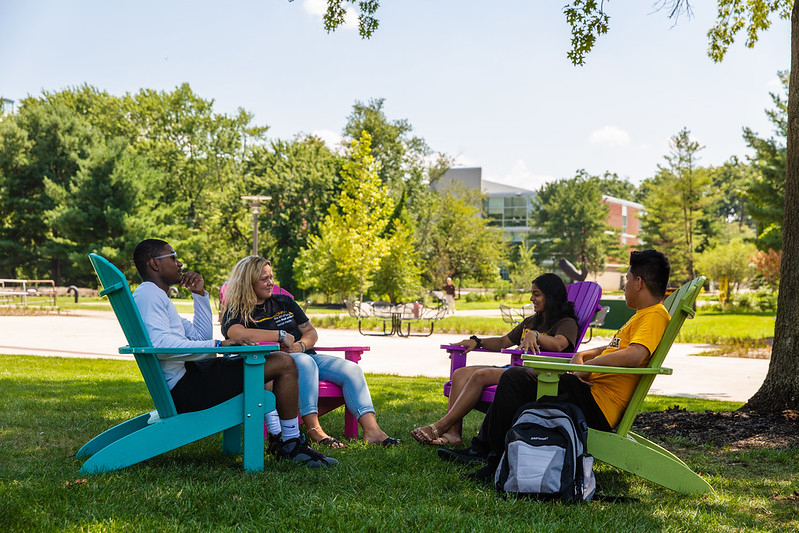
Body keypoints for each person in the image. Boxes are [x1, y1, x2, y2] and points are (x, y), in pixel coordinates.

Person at [439, 249, 671, 483]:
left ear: (639, 283)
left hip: (598, 403)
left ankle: (491, 458)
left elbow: (634, 355)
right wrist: (582, 356)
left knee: (515, 380)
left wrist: (588, 367)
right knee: (517, 379)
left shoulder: (654, 315)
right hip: (589, 393)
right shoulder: (641, 316)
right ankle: (484, 451)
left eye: (627, 280)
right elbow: (610, 349)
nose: (625, 286)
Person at [131, 239, 336, 467]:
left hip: (192, 377)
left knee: (278, 361)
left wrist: (199, 295)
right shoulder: (149, 295)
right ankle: (289, 442)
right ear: (154, 264)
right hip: (187, 388)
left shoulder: (156, 296)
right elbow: (162, 346)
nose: (179, 263)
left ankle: (286, 439)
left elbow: (199, 336)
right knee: (283, 362)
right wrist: (220, 345)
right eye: (172, 257)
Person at [221, 255, 400, 448]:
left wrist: (302, 345)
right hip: (275, 363)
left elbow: (309, 331)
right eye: (264, 279)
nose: (270, 282)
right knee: (305, 363)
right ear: (249, 281)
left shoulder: (284, 302)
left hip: (305, 354)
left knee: (351, 369)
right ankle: (315, 429)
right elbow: (235, 332)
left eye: (271, 277)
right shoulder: (238, 309)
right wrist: (279, 335)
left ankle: (372, 431)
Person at [411, 273, 579, 447]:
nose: (531, 298)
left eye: (537, 294)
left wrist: (536, 335)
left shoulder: (566, 322)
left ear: (550, 296)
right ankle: (453, 434)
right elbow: (503, 342)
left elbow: (560, 345)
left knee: (480, 375)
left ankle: (440, 426)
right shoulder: (531, 321)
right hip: (514, 370)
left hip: (540, 376)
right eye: (532, 294)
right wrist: (477, 341)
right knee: (460, 374)